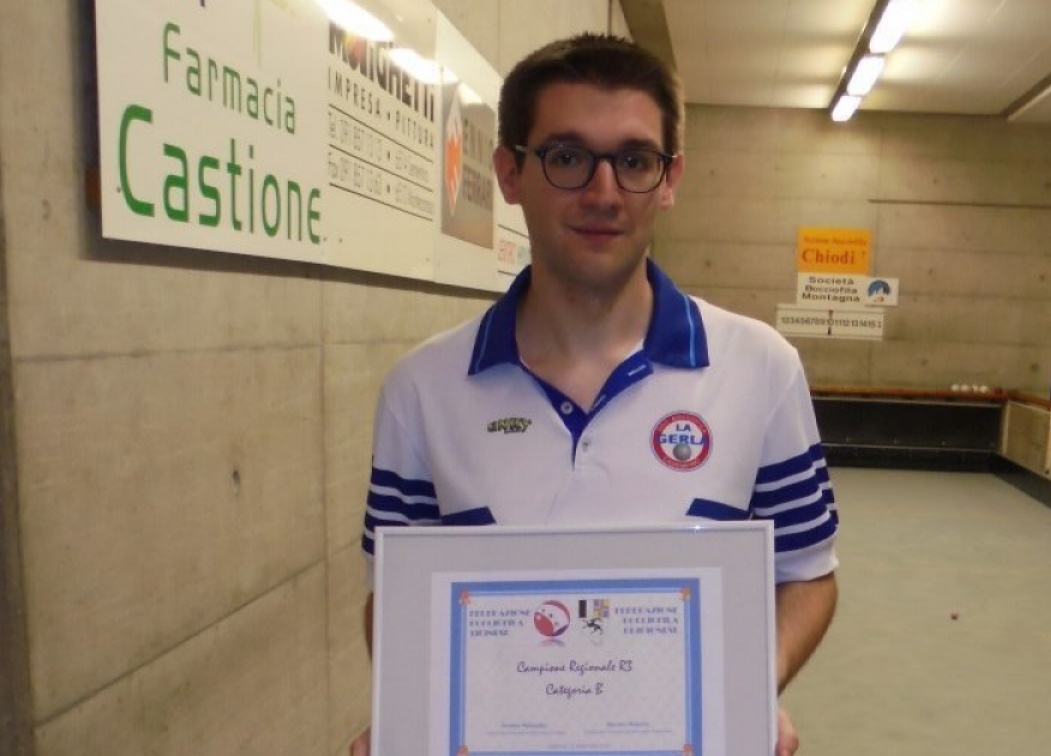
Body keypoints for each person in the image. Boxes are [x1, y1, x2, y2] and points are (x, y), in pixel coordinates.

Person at [354, 33, 838, 756]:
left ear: (669, 179)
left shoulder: (761, 368)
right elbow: (397, 597)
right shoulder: (420, 390)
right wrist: (412, 712)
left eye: (635, 161)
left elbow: (806, 575)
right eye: (568, 157)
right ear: (510, 172)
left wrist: (745, 691)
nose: (604, 193)